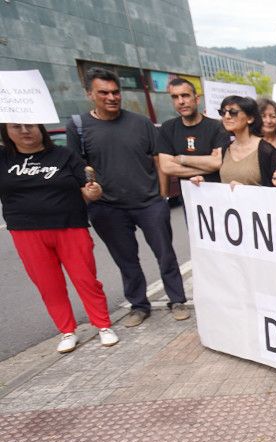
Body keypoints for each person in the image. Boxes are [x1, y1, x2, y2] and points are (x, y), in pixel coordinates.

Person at [66, 67, 188, 326]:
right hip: (108, 208)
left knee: (165, 253)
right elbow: (78, 167)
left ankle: (177, 299)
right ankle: (139, 306)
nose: (112, 97)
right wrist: (89, 191)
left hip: (149, 203)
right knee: (126, 259)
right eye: (104, 92)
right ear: (90, 94)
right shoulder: (78, 127)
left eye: (116, 92)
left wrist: (163, 196)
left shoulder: (140, 122)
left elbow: (158, 159)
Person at [1, 122, 119, 352]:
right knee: (48, 285)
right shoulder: (3, 158)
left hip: (70, 227)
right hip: (26, 231)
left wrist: (93, 191)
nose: (25, 131)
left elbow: (89, 187)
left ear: (41, 128)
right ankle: (67, 330)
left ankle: (103, 325)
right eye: (17, 127)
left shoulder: (63, 155)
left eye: (30, 125)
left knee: (85, 278)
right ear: (6, 131)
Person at [189, 96, 276, 188]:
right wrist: (204, 181)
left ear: (250, 118)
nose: (227, 116)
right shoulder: (226, 148)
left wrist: (245, 191)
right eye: (222, 112)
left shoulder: (265, 150)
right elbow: (224, 179)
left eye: (233, 112)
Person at [156, 77, 226, 186]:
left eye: (185, 95)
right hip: (186, 198)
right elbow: (166, 167)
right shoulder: (167, 128)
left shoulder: (217, 126)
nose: (181, 101)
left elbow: (217, 162)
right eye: (175, 97)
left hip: (216, 195)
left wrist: (182, 159)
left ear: (197, 99)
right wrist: (208, 166)